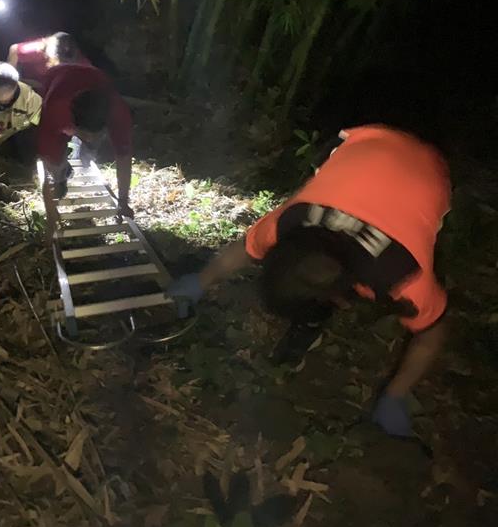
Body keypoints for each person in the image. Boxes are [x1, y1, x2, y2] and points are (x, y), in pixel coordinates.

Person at [169, 125, 451, 438]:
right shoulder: (288, 221)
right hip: (364, 140)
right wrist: (201, 280)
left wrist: (396, 394)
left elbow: (430, 335)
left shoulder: (403, 276)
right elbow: (245, 249)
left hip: (429, 170)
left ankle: (312, 321)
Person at [38, 63, 133, 226]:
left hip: (97, 77)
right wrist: (56, 188)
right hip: (56, 78)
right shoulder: (55, 112)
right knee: (57, 156)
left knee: (90, 148)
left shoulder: (118, 113)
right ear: (73, 126)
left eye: (94, 135)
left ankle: (86, 152)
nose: (88, 138)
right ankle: (67, 167)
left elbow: (124, 155)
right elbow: (46, 156)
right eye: (84, 135)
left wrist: (123, 200)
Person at [7, 31, 89, 84]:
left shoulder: (82, 64)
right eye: (56, 57)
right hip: (29, 83)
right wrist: (12, 81)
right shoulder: (40, 48)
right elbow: (14, 50)